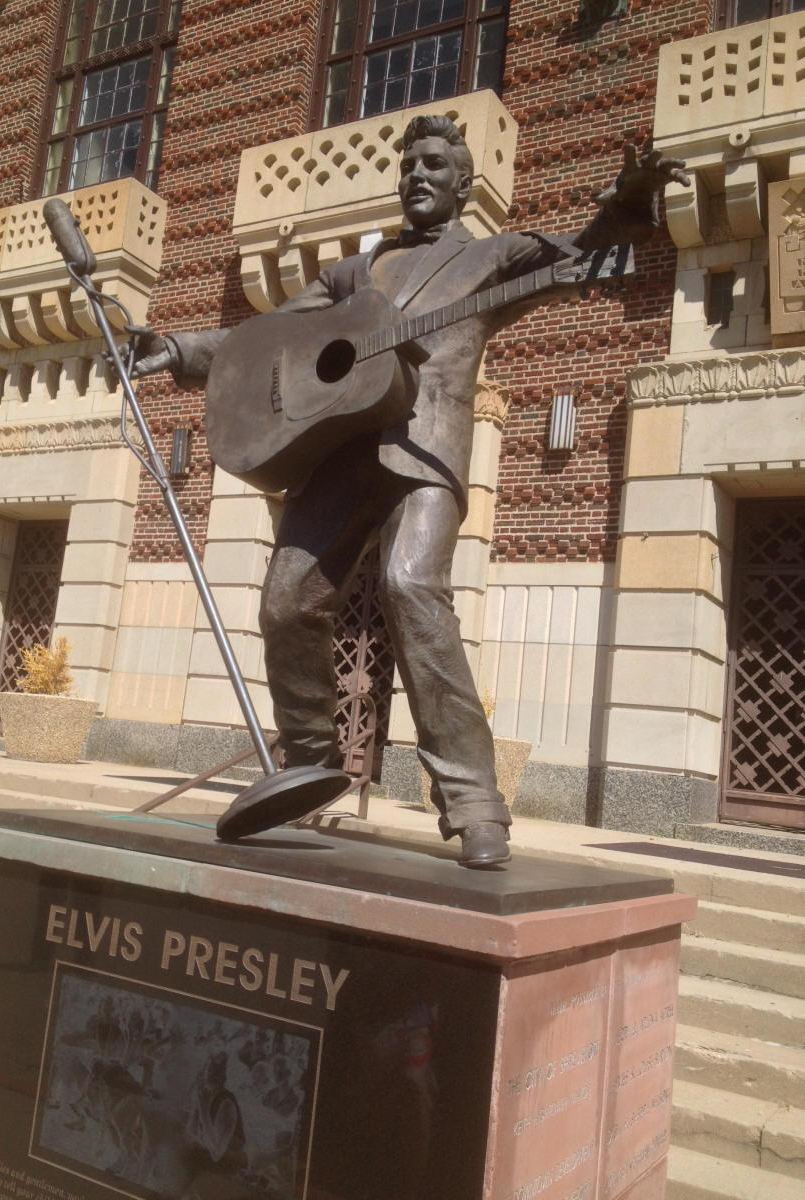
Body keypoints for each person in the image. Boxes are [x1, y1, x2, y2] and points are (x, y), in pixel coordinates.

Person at [127, 116, 687, 867]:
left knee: (411, 585)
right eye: (409, 164)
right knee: (287, 597)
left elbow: (581, 250)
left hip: (425, 451)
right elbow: (268, 337)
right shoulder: (358, 272)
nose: (417, 174)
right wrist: (178, 348)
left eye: (434, 163)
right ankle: (310, 755)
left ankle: (473, 803)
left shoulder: (490, 257)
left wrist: (629, 196)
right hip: (342, 449)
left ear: (462, 183)